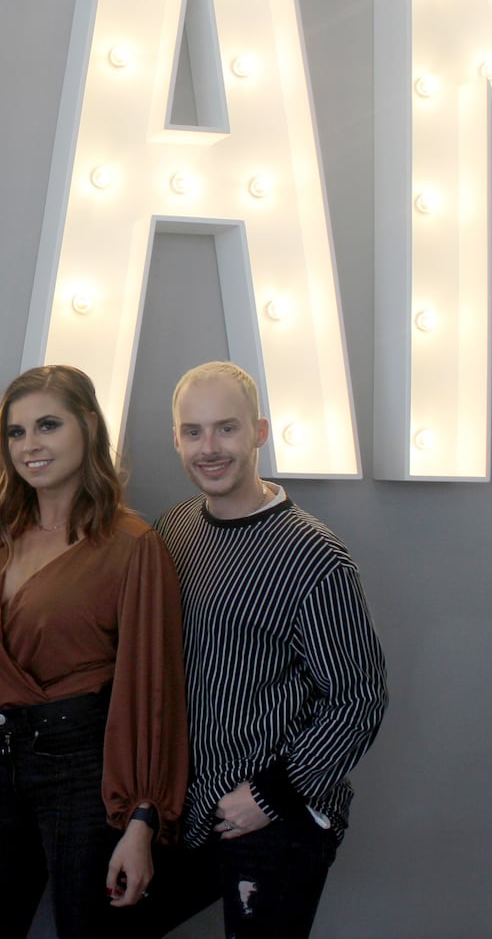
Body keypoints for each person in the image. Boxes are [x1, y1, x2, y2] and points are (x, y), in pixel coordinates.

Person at [0, 365, 188, 939]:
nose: (30, 445)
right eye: (16, 432)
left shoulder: (132, 544)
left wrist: (143, 819)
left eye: (47, 426)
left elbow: (150, 688)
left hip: (84, 771)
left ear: (89, 426)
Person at [145, 361, 387, 938]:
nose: (209, 447)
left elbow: (358, 699)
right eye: (193, 431)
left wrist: (269, 794)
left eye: (226, 428)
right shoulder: (174, 530)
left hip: (274, 813)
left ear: (259, 431)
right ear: (175, 438)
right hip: (193, 808)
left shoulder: (314, 556)